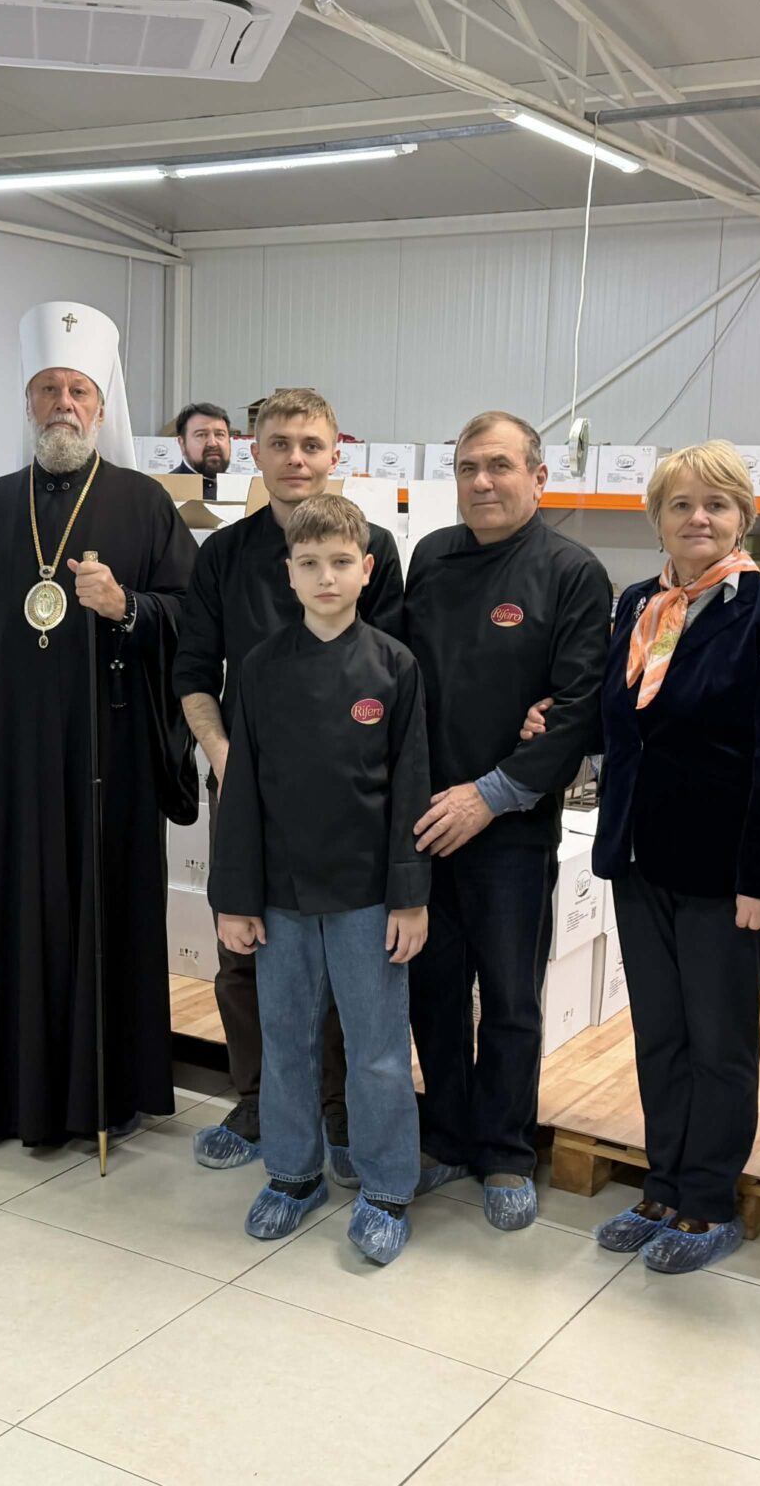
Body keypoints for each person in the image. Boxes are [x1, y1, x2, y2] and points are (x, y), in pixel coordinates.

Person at [0, 301, 197, 1147]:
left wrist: (129, 606)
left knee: (105, 917)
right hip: (8, 758)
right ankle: (17, 1091)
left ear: (101, 408)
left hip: (109, 754)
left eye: (78, 391)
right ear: (28, 403)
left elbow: (192, 619)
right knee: (17, 919)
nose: (62, 405)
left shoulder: (145, 503)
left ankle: (107, 1094)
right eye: (48, 390)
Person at [586, 442, 760, 1273]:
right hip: (640, 856)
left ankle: (709, 1199)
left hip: (726, 871)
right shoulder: (639, 605)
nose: (699, 519)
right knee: (661, 1033)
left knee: (719, 1041)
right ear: (656, 519)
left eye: (716, 504)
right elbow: (624, 724)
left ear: (742, 517)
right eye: (681, 504)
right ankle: (663, 1183)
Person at [176, 386, 405, 1177]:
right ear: (256, 452)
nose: (296, 459)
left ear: (335, 452)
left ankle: (337, 1108)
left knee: (346, 958)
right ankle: (257, 1101)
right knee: (244, 949)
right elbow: (194, 672)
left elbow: (393, 671)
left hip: (348, 798)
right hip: (247, 789)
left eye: (311, 444)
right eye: (280, 444)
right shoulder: (223, 556)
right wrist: (223, 755)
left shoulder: (375, 547)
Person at [405, 410, 611, 1230]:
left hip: (511, 828)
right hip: (425, 822)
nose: (482, 482)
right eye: (468, 468)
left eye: (499, 466)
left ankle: (505, 1151)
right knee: (432, 989)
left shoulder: (572, 572)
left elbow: (577, 705)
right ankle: (446, 1134)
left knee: (510, 995)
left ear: (539, 477)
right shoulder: (430, 558)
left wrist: (487, 796)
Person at [211, 495, 431, 1263]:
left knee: (376, 1049)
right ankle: (292, 1173)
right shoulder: (262, 668)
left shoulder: (395, 667)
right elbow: (242, 792)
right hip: (281, 897)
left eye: (341, 562)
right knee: (286, 1040)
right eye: (310, 564)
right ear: (290, 574)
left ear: (366, 570)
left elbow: (410, 787)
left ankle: (386, 1187)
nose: (326, 576)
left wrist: (410, 896)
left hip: (369, 897)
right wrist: (235, 898)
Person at [171, 402, 234, 501]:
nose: (212, 443)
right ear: (182, 444)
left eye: (220, 434)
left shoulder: (240, 489)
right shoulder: (165, 491)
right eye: (201, 435)